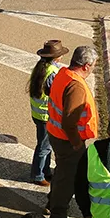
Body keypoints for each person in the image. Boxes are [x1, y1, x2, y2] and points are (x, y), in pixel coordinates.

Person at [45, 45, 101, 218]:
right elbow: (69, 121)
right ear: (86, 66)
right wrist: (77, 143)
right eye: (93, 65)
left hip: (56, 133)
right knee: (68, 177)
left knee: (61, 171)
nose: (93, 69)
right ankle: (58, 215)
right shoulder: (77, 86)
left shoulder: (64, 74)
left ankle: (52, 202)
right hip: (68, 140)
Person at [27, 40, 67, 185]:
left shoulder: (39, 67)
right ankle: (38, 175)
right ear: (56, 57)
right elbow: (55, 93)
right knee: (44, 147)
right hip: (46, 115)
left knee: (46, 145)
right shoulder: (53, 72)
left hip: (38, 113)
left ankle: (45, 171)